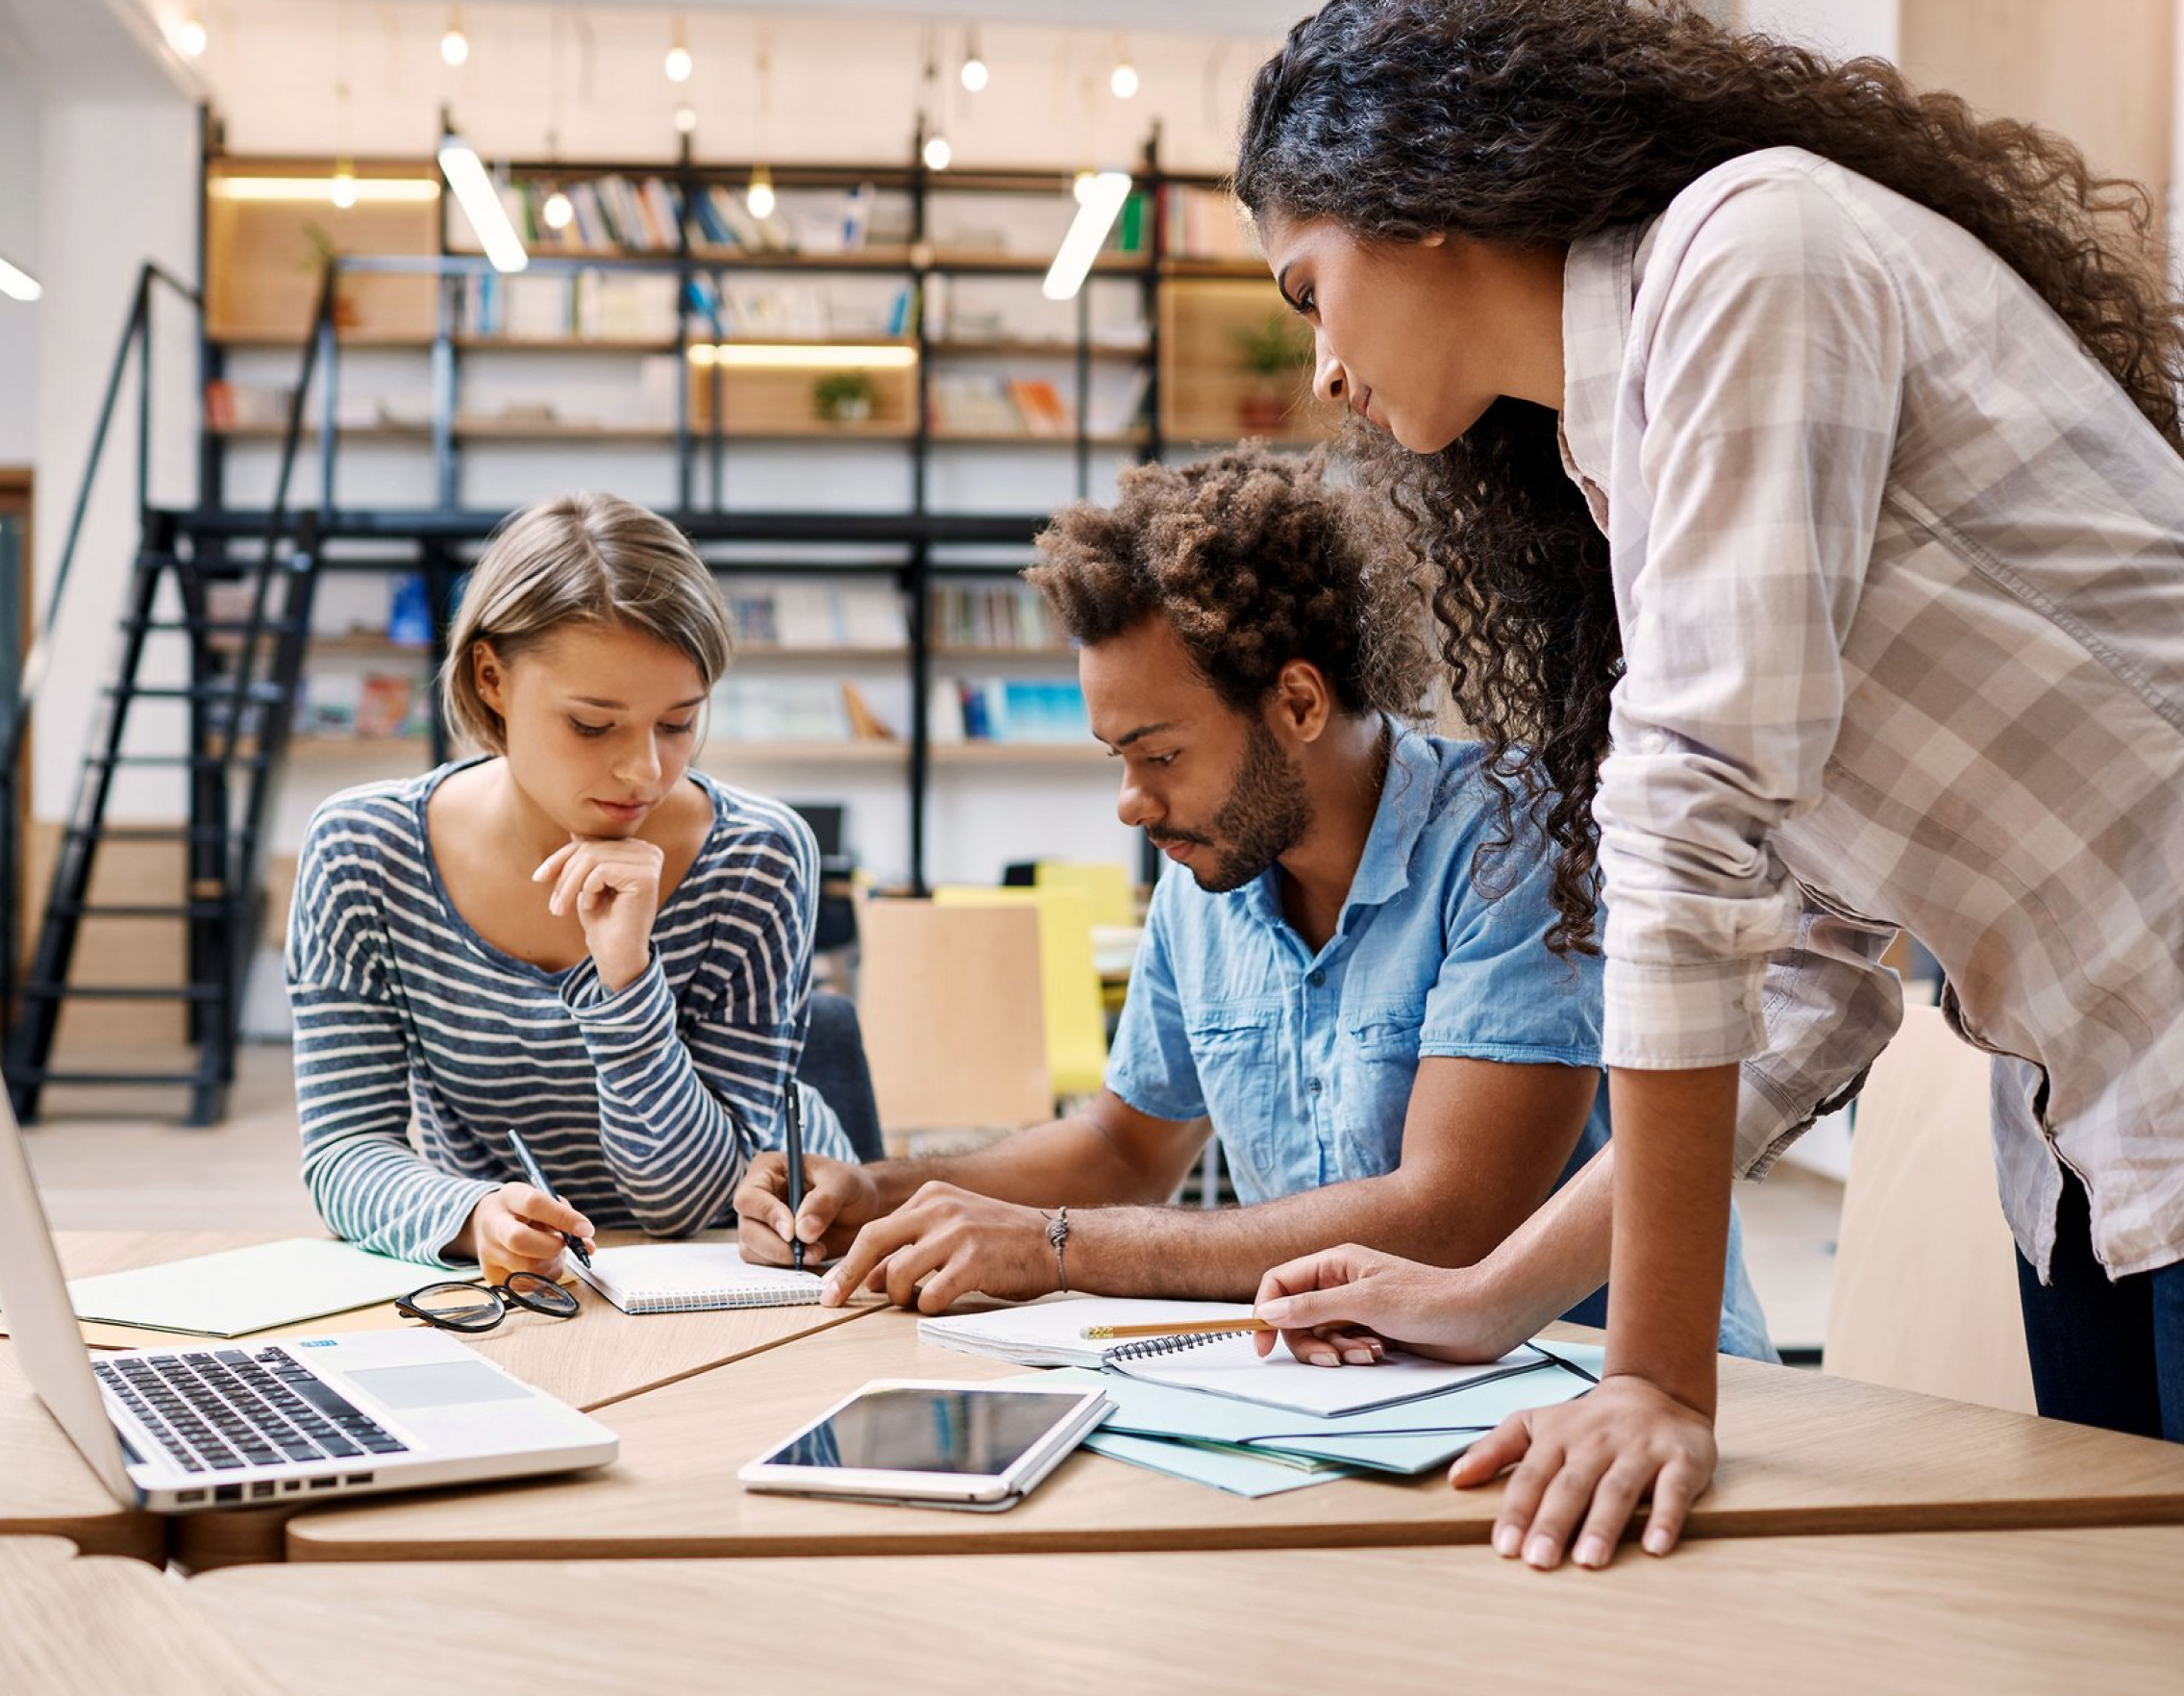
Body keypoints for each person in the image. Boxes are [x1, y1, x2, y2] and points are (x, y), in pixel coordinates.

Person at [1232, 0, 2184, 1571]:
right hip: (2094, 1139)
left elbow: (1691, 825)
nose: (1325, 366)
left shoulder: (1753, 252)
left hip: (2157, 1060)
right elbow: (1811, 968)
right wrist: (1499, 1294)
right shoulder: (1635, 443)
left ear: (1417, 203)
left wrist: (1657, 1375)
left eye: (1308, 290)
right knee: (2127, 1630)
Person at [734, 447, 1773, 1359]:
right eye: (1119, 758)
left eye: (1160, 754)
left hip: (1592, 1380)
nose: (1131, 803)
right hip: (1365, 1390)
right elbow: (1124, 1146)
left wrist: (1055, 1245)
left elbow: (1449, 1217)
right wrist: (883, 1192)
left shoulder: (1508, 837)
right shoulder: (1210, 875)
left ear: (1299, 702)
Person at [286, 493, 851, 1282]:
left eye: (679, 722)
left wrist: (626, 978)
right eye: (593, 725)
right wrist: (467, 1214)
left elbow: (687, 1201)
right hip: (520, 1282)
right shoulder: (365, 850)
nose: (645, 771)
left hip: (735, 1274)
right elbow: (346, 1147)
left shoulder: (758, 857)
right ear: (490, 678)